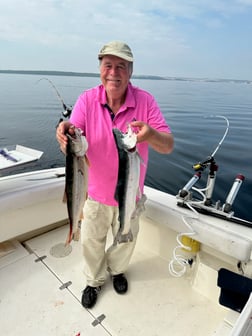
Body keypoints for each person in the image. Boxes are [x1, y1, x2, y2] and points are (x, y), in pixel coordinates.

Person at [56, 40, 174, 309]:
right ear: (100, 69)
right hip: (95, 195)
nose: (114, 72)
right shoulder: (87, 99)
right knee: (91, 243)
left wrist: (151, 134)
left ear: (130, 71)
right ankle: (95, 279)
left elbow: (167, 145)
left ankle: (117, 270)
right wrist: (65, 132)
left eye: (121, 66)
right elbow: (74, 131)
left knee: (125, 240)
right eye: (108, 65)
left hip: (131, 195)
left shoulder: (146, 101)